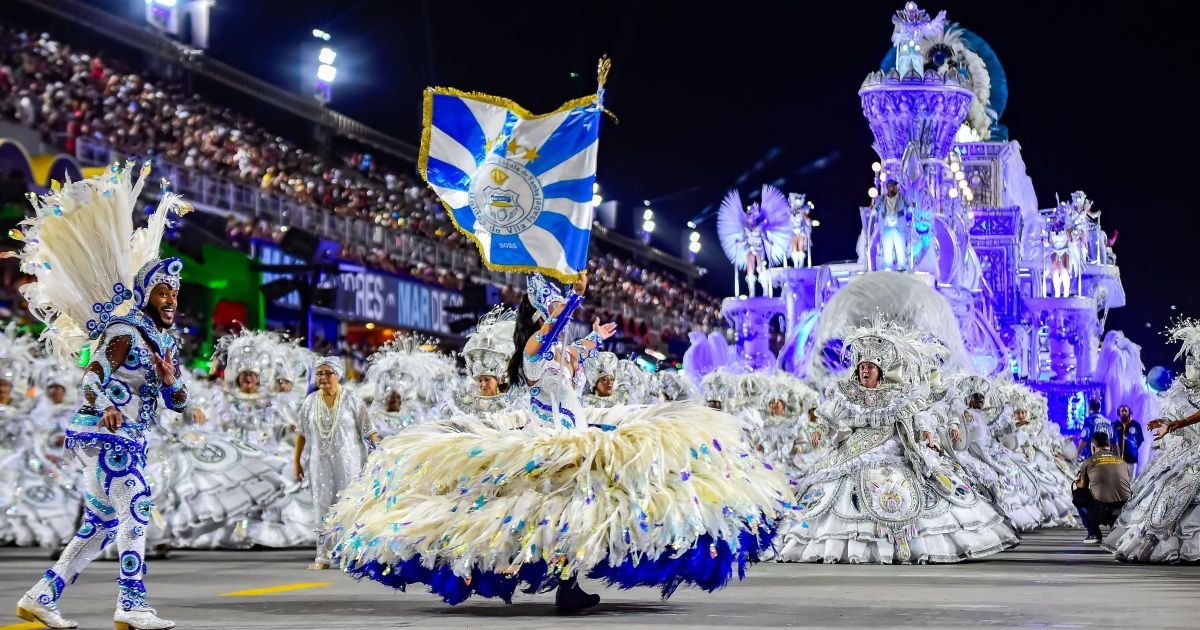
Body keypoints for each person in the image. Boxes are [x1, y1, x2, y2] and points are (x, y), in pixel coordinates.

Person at [322, 271, 788, 609]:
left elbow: (572, 356)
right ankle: (562, 585)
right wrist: (574, 300)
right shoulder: (531, 350)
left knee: (580, 514)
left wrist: (596, 339)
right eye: (551, 317)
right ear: (541, 317)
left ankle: (570, 584)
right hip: (552, 438)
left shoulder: (559, 351)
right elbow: (553, 337)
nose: (559, 328)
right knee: (560, 513)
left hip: (576, 428)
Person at [14, 160, 190, 630]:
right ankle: (132, 605)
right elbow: (92, 377)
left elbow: (180, 403)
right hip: (105, 434)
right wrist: (108, 404)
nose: (171, 299)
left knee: (101, 526)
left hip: (130, 436)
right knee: (136, 505)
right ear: (146, 293)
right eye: (162, 292)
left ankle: (41, 596)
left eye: (175, 292)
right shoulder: (124, 331)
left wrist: (170, 379)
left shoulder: (165, 344)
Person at [775, 322, 1020, 563]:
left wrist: (926, 434)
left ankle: (902, 540)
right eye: (862, 366)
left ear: (880, 371)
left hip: (896, 450)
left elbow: (916, 417)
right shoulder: (846, 394)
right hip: (852, 452)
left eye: (871, 366)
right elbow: (829, 415)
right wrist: (820, 429)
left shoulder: (898, 395)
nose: (865, 371)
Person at [293, 356, 379, 570]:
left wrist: (377, 457)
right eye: (319, 373)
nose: (322, 377)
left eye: (327, 373)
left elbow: (369, 431)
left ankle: (355, 554)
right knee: (322, 507)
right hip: (319, 463)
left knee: (350, 506)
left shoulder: (351, 399)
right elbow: (301, 434)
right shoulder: (310, 401)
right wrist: (296, 461)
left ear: (337, 375)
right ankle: (323, 556)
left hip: (350, 462)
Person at [1076, 432, 1131, 544]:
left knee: (1078, 495)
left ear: (1092, 447)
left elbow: (1082, 486)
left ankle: (1093, 533)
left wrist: (1078, 481)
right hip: (1126, 509)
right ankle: (1117, 527)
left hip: (1102, 511)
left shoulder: (1089, 461)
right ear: (1109, 446)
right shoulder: (1122, 461)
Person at [1111, 405, 1144, 478]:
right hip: (1117, 460)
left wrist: (1133, 449)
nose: (1124, 413)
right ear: (1119, 413)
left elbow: (1140, 439)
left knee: (1131, 484)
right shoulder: (1114, 425)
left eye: (1126, 411)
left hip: (1131, 460)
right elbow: (1111, 440)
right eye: (1122, 411)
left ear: (1129, 412)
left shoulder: (1136, 425)